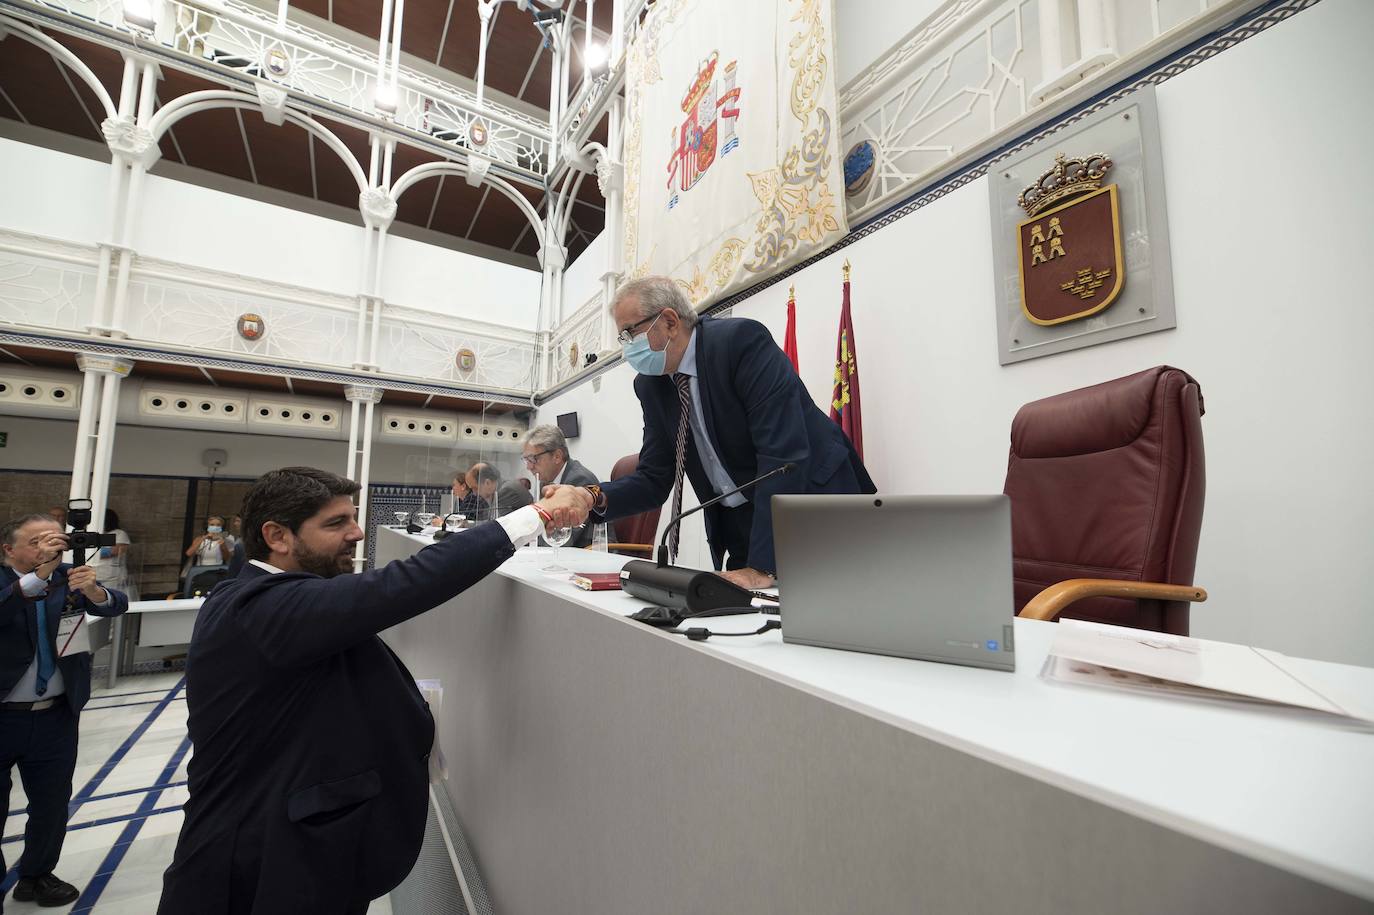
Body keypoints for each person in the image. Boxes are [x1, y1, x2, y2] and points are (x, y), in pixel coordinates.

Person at [157, 467, 590, 913]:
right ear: (277, 536)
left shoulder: (274, 598)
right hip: (256, 873)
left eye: (352, 518)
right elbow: (404, 584)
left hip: (303, 857)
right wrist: (539, 514)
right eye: (336, 523)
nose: (357, 532)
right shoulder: (258, 607)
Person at [550, 276, 875, 589]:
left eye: (629, 334)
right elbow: (653, 478)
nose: (627, 349)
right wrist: (588, 495)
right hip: (746, 523)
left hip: (816, 503)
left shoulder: (740, 343)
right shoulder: (652, 385)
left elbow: (783, 455)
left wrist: (762, 566)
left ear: (669, 322)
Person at [2, 513, 129, 908]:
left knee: (52, 802)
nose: (49, 548)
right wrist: (38, 576)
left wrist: (94, 592)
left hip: (56, 714)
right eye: (37, 541)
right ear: (9, 550)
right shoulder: (14, 581)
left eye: (54, 540)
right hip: (3, 714)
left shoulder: (69, 576)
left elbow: (115, 605)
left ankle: (37, 875)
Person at [523, 424, 599, 548]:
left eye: (533, 459)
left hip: (587, 555)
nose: (529, 466)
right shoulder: (546, 481)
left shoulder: (580, 480)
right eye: (526, 460)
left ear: (557, 456)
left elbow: (563, 538)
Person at [87, 508, 139, 602]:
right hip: (94, 576)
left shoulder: (119, 534)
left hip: (113, 579)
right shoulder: (91, 534)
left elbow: (116, 551)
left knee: (113, 602)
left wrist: (90, 552)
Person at [466, 462, 533, 520]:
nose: (474, 493)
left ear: (487, 483)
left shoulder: (506, 491)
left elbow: (495, 524)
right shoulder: (500, 489)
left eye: (475, 488)